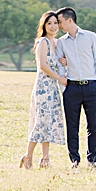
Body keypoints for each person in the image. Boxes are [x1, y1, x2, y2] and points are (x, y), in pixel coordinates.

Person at [55, 7, 96, 170]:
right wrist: (64, 87)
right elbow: (59, 64)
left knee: (93, 125)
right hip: (72, 88)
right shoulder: (61, 42)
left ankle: (92, 160)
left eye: (60, 22)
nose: (58, 25)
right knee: (72, 126)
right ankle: (74, 160)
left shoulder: (91, 37)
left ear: (70, 20)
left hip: (92, 86)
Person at [21, 10, 68, 169]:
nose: (53, 26)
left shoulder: (56, 43)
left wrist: (63, 62)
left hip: (53, 89)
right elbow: (43, 66)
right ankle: (28, 156)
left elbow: (57, 62)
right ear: (44, 25)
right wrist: (60, 78)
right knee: (40, 122)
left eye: (56, 23)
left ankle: (45, 159)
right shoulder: (43, 42)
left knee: (48, 122)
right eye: (50, 23)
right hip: (43, 87)